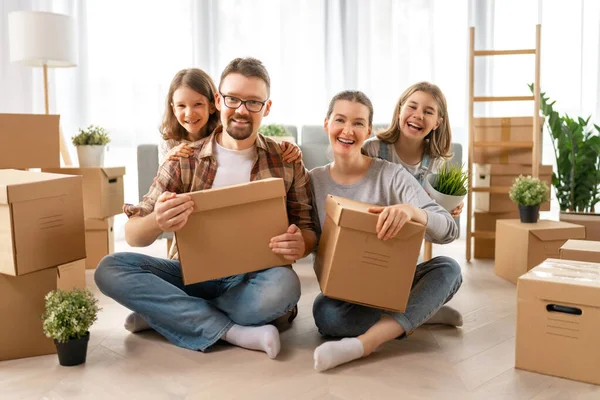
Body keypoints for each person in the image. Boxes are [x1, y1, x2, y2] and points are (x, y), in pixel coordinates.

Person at [94, 57, 317, 360]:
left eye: (253, 102)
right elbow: (134, 235)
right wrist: (158, 220)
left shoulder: (286, 160)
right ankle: (232, 330)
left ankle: (169, 314)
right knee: (110, 269)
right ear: (218, 100)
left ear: (267, 108)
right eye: (233, 99)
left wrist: (301, 243)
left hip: (256, 278)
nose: (241, 109)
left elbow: (309, 228)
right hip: (193, 276)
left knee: (286, 286)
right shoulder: (182, 158)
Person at [309, 90, 462, 372]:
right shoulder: (311, 181)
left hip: (395, 281)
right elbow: (309, 237)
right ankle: (420, 311)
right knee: (326, 315)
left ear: (368, 131)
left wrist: (412, 211)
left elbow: (450, 229)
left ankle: (364, 344)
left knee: (449, 269)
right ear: (326, 124)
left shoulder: (391, 174)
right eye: (340, 120)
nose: (348, 130)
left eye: (358, 123)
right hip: (346, 292)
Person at [158, 68, 300, 165]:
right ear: (173, 109)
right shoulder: (169, 142)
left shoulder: (225, 133)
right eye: (181, 106)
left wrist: (291, 149)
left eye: (198, 104)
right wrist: (168, 162)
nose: (189, 113)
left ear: (213, 105)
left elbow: (253, 141)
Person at [362, 82, 463, 218]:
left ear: (436, 124)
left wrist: (449, 207)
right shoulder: (372, 149)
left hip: (410, 234)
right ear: (399, 111)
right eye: (412, 107)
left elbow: (430, 209)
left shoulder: (434, 160)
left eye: (428, 112)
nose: (418, 115)